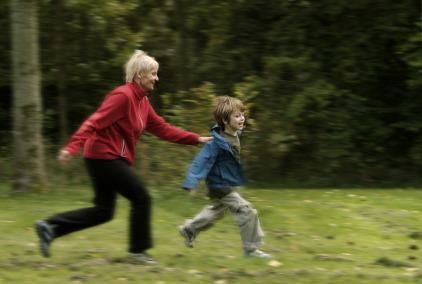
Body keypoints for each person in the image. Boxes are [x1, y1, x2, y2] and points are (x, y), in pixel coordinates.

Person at [35, 50, 213, 264]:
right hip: (104, 156)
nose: (157, 78)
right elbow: (94, 121)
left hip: (106, 158)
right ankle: (139, 252)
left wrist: (197, 139)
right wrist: (72, 147)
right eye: (153, 74)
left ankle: (50, 228)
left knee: (103, 211)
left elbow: (164, 129)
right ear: (140, 75)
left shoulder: (142, 102)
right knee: (141, 198)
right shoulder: (123, 96)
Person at [178, 96, 271, 259]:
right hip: (220, 185)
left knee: (216, 212)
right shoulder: (215, 143)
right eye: (237, 115)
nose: (242, 118)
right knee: (246, 210)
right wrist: (191, 182)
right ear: (225, 120)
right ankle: (251, 249)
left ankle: (189, 229)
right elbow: (200, 162)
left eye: (242, 114)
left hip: (227, 183)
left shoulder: (235, 135)